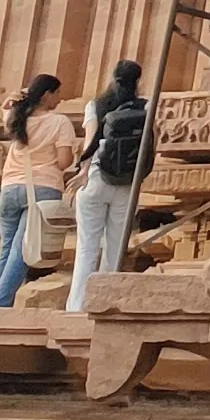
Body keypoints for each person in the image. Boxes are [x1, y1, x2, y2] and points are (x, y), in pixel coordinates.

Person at [66, 59, 152, 312]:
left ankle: (77, 308)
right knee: (114, 248)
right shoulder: (145, 107)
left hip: (96, 177)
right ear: (138, 82)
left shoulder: (97, 105)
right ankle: (106, 305)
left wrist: (82, 172)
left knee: (87, 248)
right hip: (127, 183)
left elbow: (91, 141)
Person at [0, 74, 75, 308]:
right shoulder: (59, 122)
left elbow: (6, 107)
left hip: (9, 188)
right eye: (57, 93)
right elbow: (64, 162)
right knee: (24, 251)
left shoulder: (16, 117)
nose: (60, 98)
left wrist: (18, 95)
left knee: (6, 249)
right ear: (47, 95)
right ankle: (0, 306)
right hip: (42, 189)